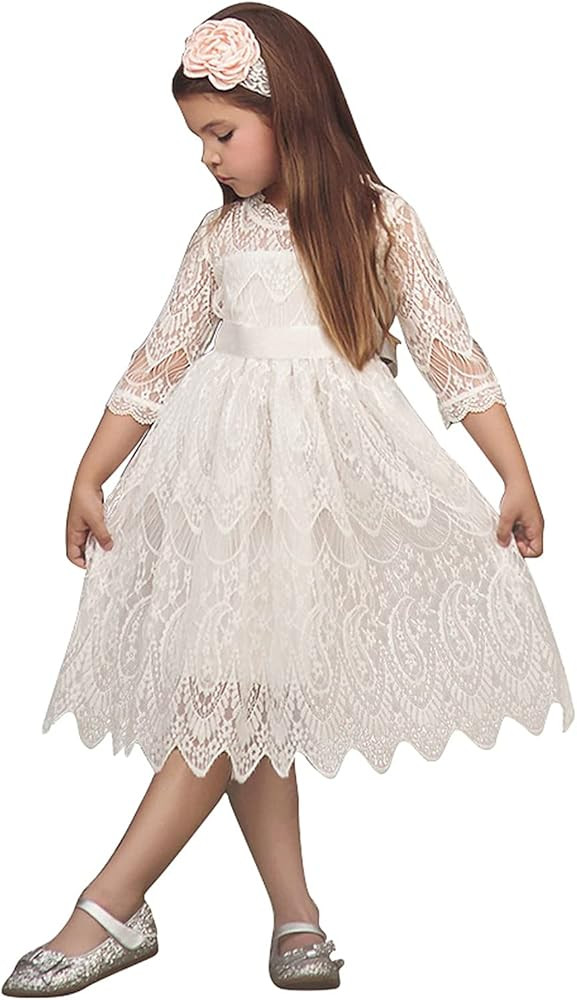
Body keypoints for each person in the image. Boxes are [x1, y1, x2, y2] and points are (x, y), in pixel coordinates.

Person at [3, 3, 574, 996]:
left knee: (237, 695)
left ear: (289, 110)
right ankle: (294, 914)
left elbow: (450, 351)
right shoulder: (219, 238)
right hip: (226, 497)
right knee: (242, 695)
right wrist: (91, 472)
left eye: (221, 133)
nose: (208, 157)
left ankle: (110, 906)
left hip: (320, 500)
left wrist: (512, 471)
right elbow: (159, 359)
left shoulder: (377, 219)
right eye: (199, 139)